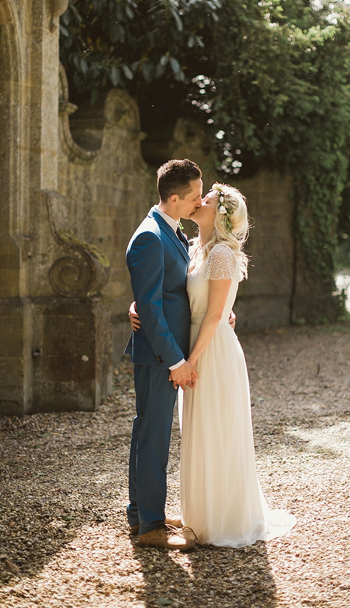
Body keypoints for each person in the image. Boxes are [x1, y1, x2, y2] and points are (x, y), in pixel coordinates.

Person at [131, 182, 296, 547]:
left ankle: (223, 517)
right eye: (197, 196)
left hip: (211, 352)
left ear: (218, 212)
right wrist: (138, 306)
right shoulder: (193, 248)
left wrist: (189, 360)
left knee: (217, 430)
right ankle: (198, 513)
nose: (198, 201)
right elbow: (170, 291)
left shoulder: (222, 253)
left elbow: (215, 314)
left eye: (205, 199)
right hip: (194, 347)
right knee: (198, 431)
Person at [125, 159, 203, 551]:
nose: (199, 202)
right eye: (194, 197)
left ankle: (141, 513)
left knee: (147, 431)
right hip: (160, 354)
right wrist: (176, 361)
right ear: (173, 198)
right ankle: (151, 527)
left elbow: (162, 291)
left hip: (163, 350)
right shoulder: (150, 237)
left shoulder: (170, 230)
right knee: (153, 435)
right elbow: (151, 309)